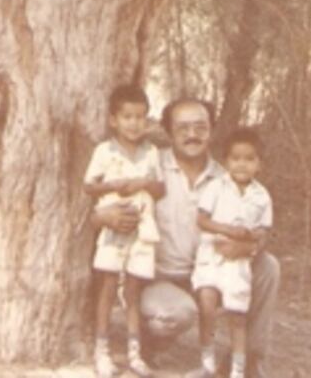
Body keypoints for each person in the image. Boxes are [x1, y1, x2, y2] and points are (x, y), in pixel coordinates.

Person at [93, 97, 280, 378]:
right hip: (159, 277)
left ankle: (247, 360)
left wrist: (248, 246)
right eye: (182, 128)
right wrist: (102, 216)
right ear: (168, 131)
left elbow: (259, 228)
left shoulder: (228, 176)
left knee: (268, 267)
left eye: (200, 127)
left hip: (210, 272)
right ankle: (148, 342)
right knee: (173, 313)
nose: (192, 135)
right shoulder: (151, 164)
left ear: (211, 130)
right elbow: (104, 204)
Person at [84, 84, 164, 378]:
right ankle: (102, 351)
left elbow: (160, 188)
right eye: (127, 117)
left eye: (140, 117)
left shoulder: (151, 152)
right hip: (114, 229)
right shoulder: (104, 151)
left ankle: (134, 353)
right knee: (107, 287)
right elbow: (89, 186)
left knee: (133, 291)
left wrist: (144, 183)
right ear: (113, 120)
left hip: (142, 231)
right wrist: (113, 185)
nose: (134, 123)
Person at [191, 127, 273, 378]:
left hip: (239, 263)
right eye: (236, 158)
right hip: (211, 256)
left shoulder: (261, 196)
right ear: (226, 161)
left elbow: (264, 231)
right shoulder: (217, 187)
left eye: (249, 159)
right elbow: (202, 220)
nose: (242, 165)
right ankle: (207, 362)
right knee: (207, 303)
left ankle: (237, 370)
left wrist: (248, 239)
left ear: (259, 164)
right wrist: (226, 229)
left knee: (238, 315)